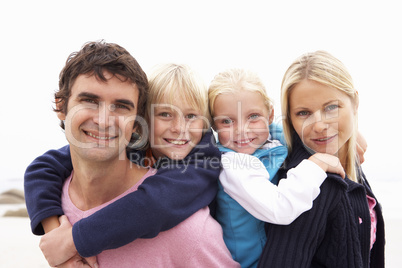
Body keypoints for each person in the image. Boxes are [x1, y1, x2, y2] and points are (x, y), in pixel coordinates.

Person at [24, 41, 235, 267]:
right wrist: (54, 232)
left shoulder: (203, 166)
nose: (103, 121)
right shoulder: (126, 150)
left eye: (121, 106)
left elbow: (155, 204)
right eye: (90, 101)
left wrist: (74, 241)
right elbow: (41, 169)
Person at [257, 51, 385, 268]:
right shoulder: (306, 186)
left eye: (331, 107)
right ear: (290, 119)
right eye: (303, 113)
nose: (318, 125)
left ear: (355, 103)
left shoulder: (345, 159)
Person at [208, 68, 345, 267]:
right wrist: (316, 165)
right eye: (227, 121)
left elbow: (295, 132)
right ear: (214, 126)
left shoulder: (267, 137)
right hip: (250, 263)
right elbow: (280, 208)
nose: (242, 130)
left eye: (253, 116)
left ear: (270, 115)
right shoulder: (232, 165)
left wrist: (347, 135)